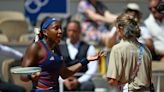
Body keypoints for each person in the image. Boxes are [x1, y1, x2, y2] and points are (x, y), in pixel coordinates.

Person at [20, 17, 103, 92]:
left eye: (60, 28)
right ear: (45, 32)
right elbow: (22, 75)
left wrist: (86, 60)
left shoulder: (57, 48)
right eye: (56, 28)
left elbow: (65, 73)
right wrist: (30, 76)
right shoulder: (35, 47)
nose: (60, 31)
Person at [106, 13, 152, 91]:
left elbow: (112, 81)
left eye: (116, 28)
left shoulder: (118, 49)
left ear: (120, 28)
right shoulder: (146, 49)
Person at [59, 20, 98, 91]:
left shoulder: (89, 48)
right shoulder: (59, 47)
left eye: (74, 31)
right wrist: (64, 80)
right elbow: (55, 68)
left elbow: (93, 69)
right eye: (69, 30)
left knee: (88, 86)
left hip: (82, 82)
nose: (71, 33)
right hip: (63, 81)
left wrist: (78, 81)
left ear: (80, 32)